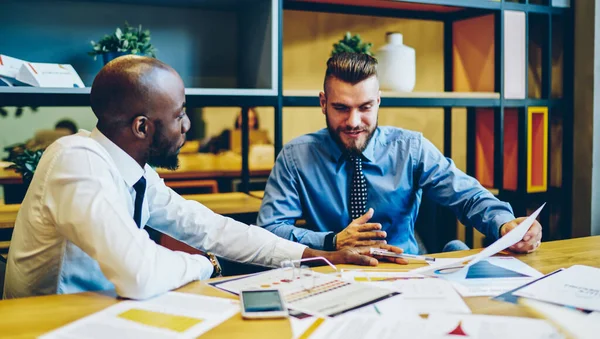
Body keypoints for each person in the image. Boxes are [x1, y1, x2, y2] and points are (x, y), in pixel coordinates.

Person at [3, 56, 406, 300]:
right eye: (178, 115)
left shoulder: (135, 173)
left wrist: (319, 256)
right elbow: (139, 275)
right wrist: (206, 266)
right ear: (142, 127)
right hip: (51, 323)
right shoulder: (77, 163)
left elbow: (210, 227)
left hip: (101, 312)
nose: (188, 125)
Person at [257, 52, 542, 255]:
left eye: (365, 107)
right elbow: (269, 230)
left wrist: (505, 224)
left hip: (407, 274)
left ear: (378, 102)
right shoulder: (296, 157)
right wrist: (332, 241)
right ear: (323, 103)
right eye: (341, 108)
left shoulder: (411, 148)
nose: (354, 121)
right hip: (330, 274)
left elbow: (467, 196)